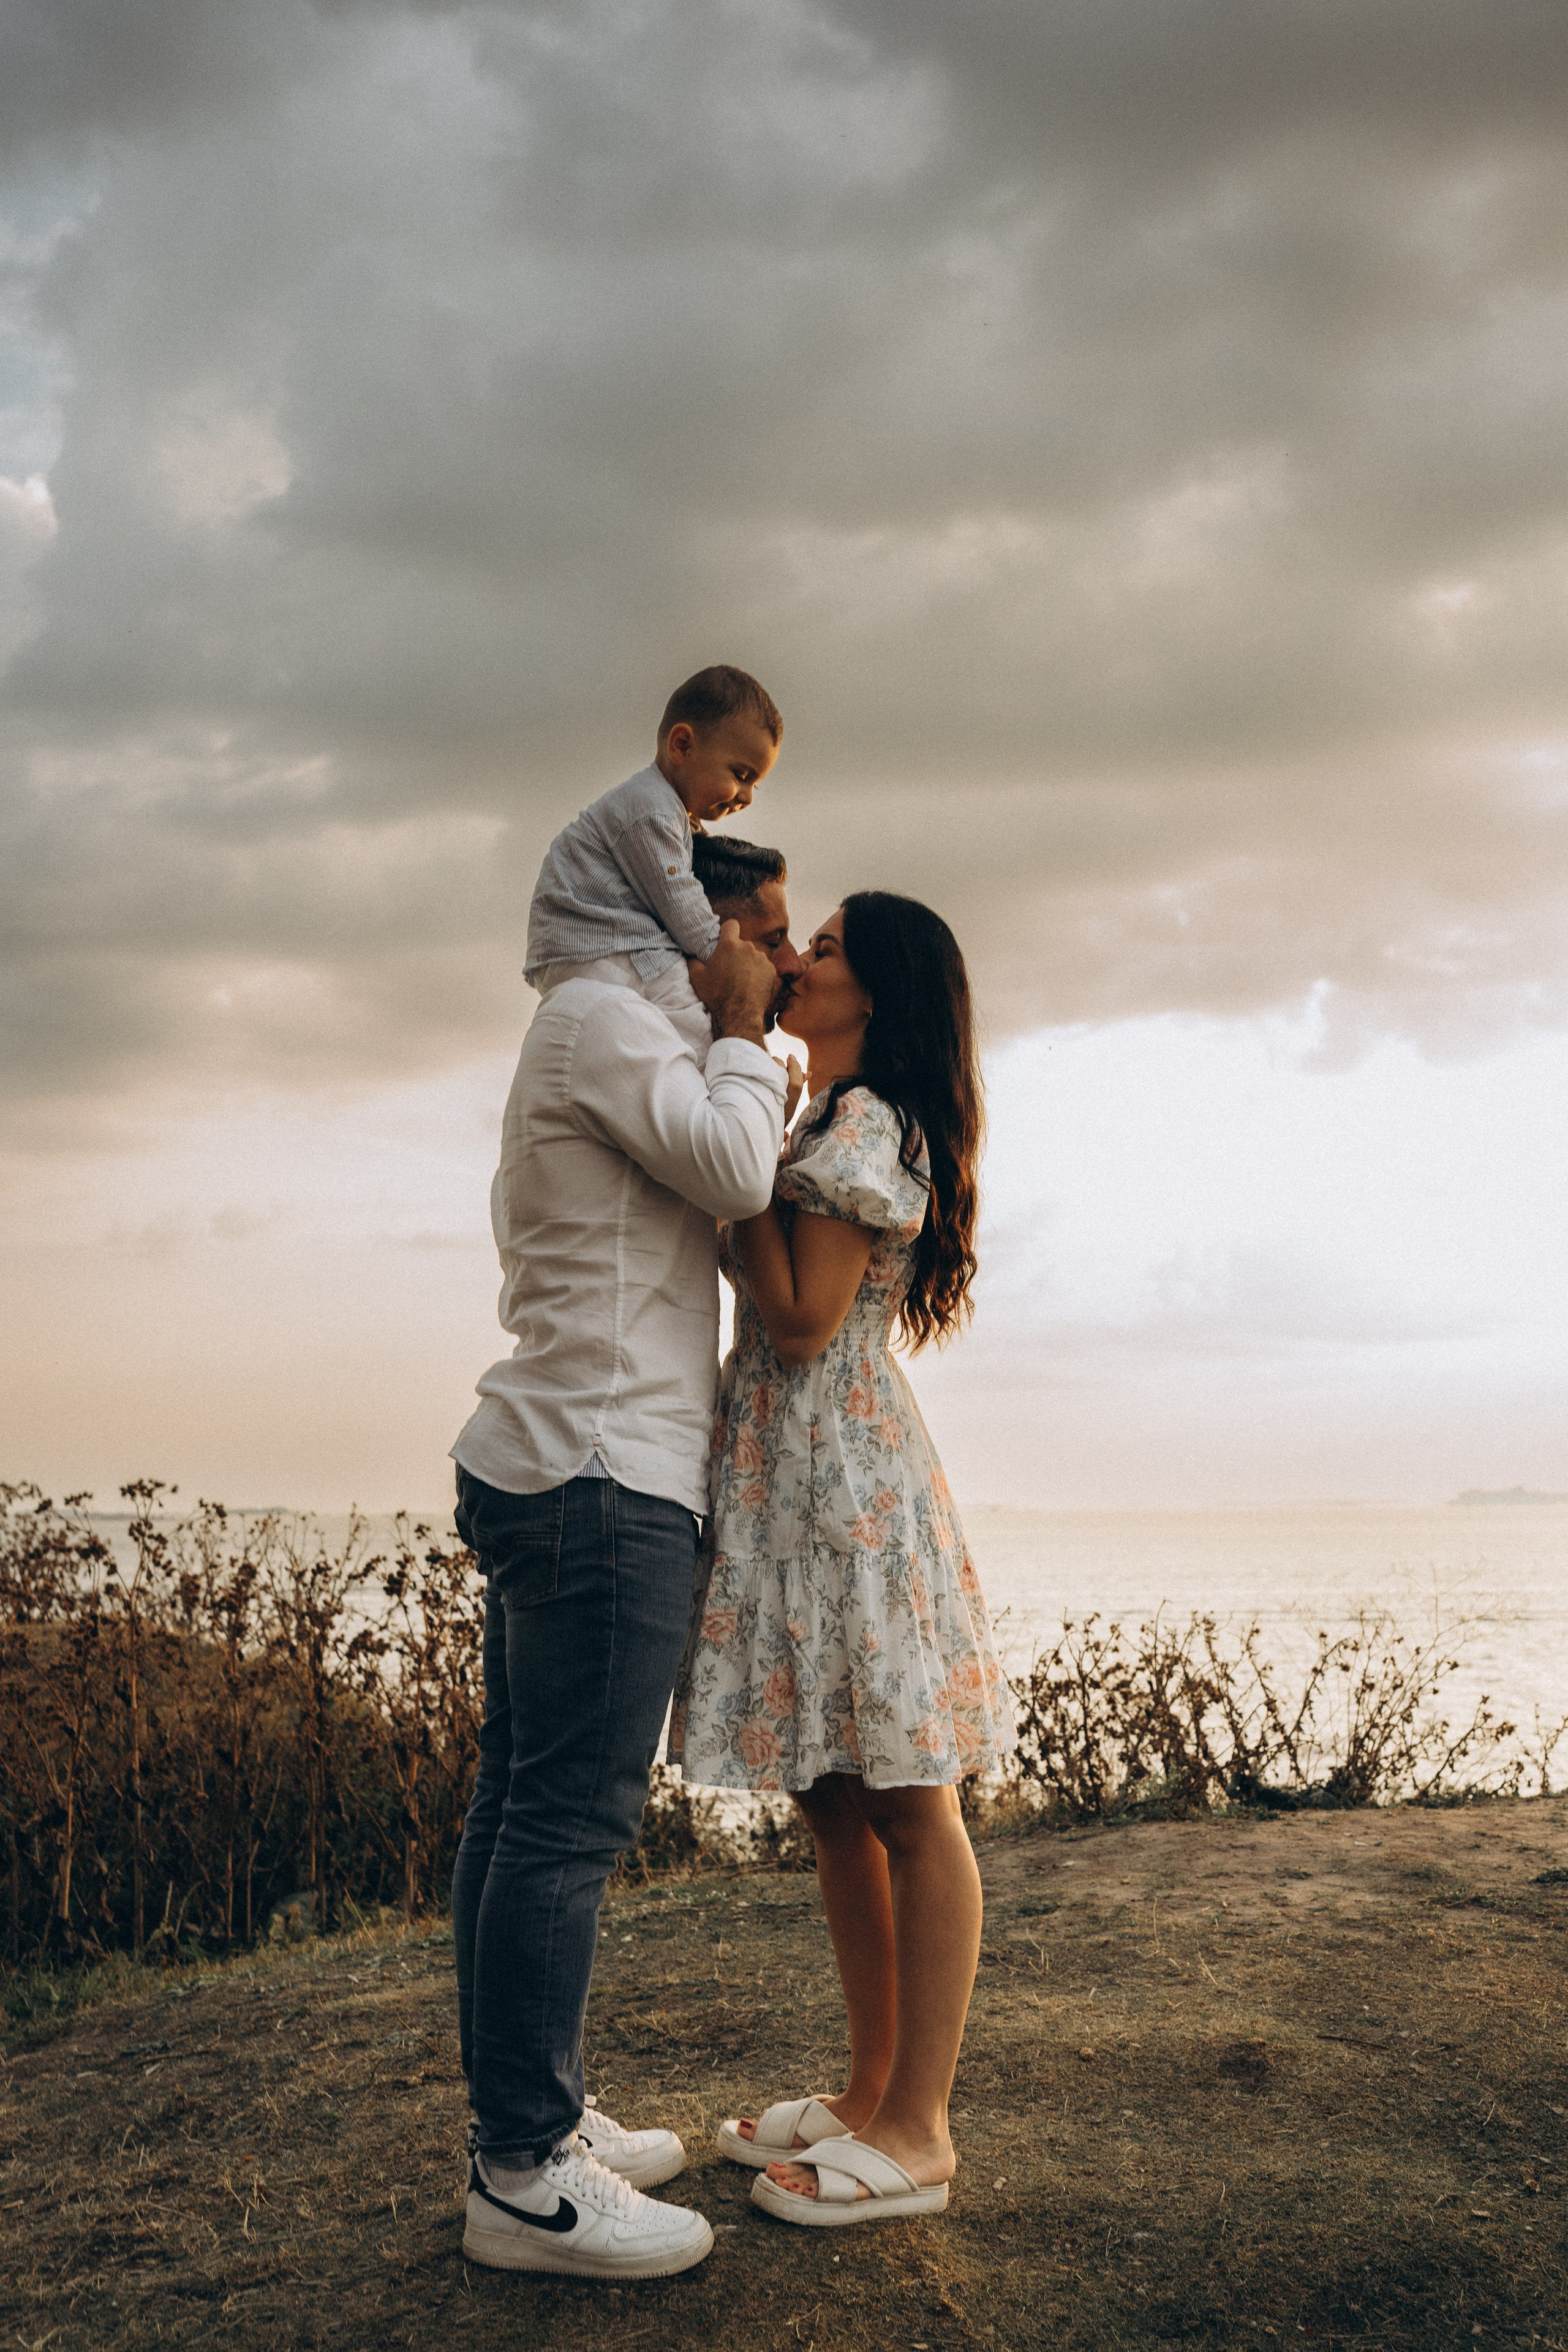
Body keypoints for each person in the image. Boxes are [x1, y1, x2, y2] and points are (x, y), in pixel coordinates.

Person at [449, 831, 802, 2280]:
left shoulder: (622, 1036)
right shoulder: (613, 1020)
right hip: (602, 1471)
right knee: (564, 1824)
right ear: (697, 927)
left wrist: (723, 1036)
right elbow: (735, 1164)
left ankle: (531, 2119)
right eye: (762, 934)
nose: (779, 966)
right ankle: (525, 2172)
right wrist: (737, 1034)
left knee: (520, 1807)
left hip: (577, 1457)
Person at [669, 891, 1015, 2229]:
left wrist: (729, 1194)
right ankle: (872, 2090)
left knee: (907, 1797)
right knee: (833, 1791)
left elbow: (806, 1318)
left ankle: (917, 2130)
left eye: (820, 951)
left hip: (841, 1487)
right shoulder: (830, 1116)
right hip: (801, 1484)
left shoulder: (864, 1123)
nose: (796, 961)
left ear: (871, 997)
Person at [524, 665, 782, 1059]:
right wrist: (724, 955)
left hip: (589, 946)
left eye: (755, 783)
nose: (746, 795)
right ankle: (728, 1088)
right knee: (688, 1013)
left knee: (673, 1016)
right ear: (681, 746)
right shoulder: (652, 814)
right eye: (740, 774)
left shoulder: (663, 811)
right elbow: (682, 904)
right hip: (600, 945)